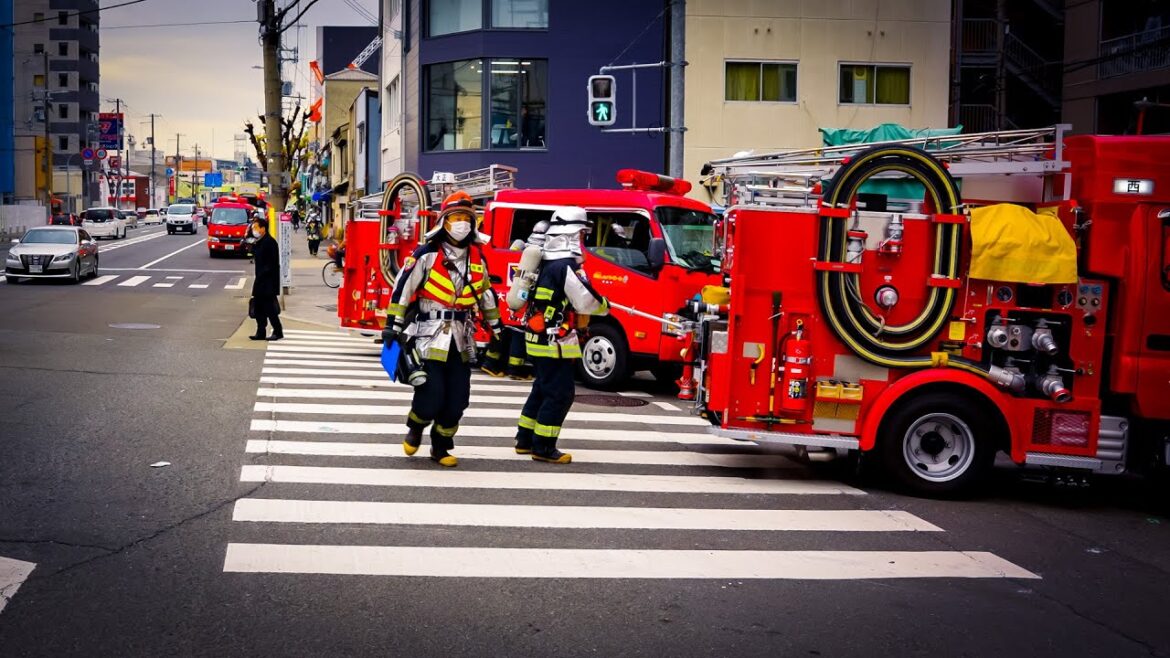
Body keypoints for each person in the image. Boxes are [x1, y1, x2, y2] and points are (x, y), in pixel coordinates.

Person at [383, 191, 502, 467]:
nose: (462, 223)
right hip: (429, 335)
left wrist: (498, 328)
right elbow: (403, 289)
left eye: (467, 218)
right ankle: (416, 427)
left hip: (462, 338)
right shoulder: (426, 254)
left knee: (459, 398)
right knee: (431, 392)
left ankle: (441, 447)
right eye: (456, 217)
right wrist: (392, 325)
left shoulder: (476, 257)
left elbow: (486, 295)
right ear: (444, 221)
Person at [514, 207, 609, 464]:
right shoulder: (564, 266)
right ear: (569, 235)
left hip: (538, 338)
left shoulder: (547, 263)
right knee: (560, 394)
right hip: (553, 341)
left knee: (542, 389)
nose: (582, 241)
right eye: (580, 234)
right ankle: (543, 447)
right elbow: (585, 300)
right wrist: (604, 306)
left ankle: (525, 439)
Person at [249, 218, 283, 342]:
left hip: (268, 281)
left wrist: (263, 275)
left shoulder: (270, 242)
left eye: (256, 228)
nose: (254, 230)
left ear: (263, 228)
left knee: (270, 308)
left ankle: (278, 331)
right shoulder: (259, 242)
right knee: (258, 307)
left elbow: (272, 264)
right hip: (260, 280)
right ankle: (260, 331)